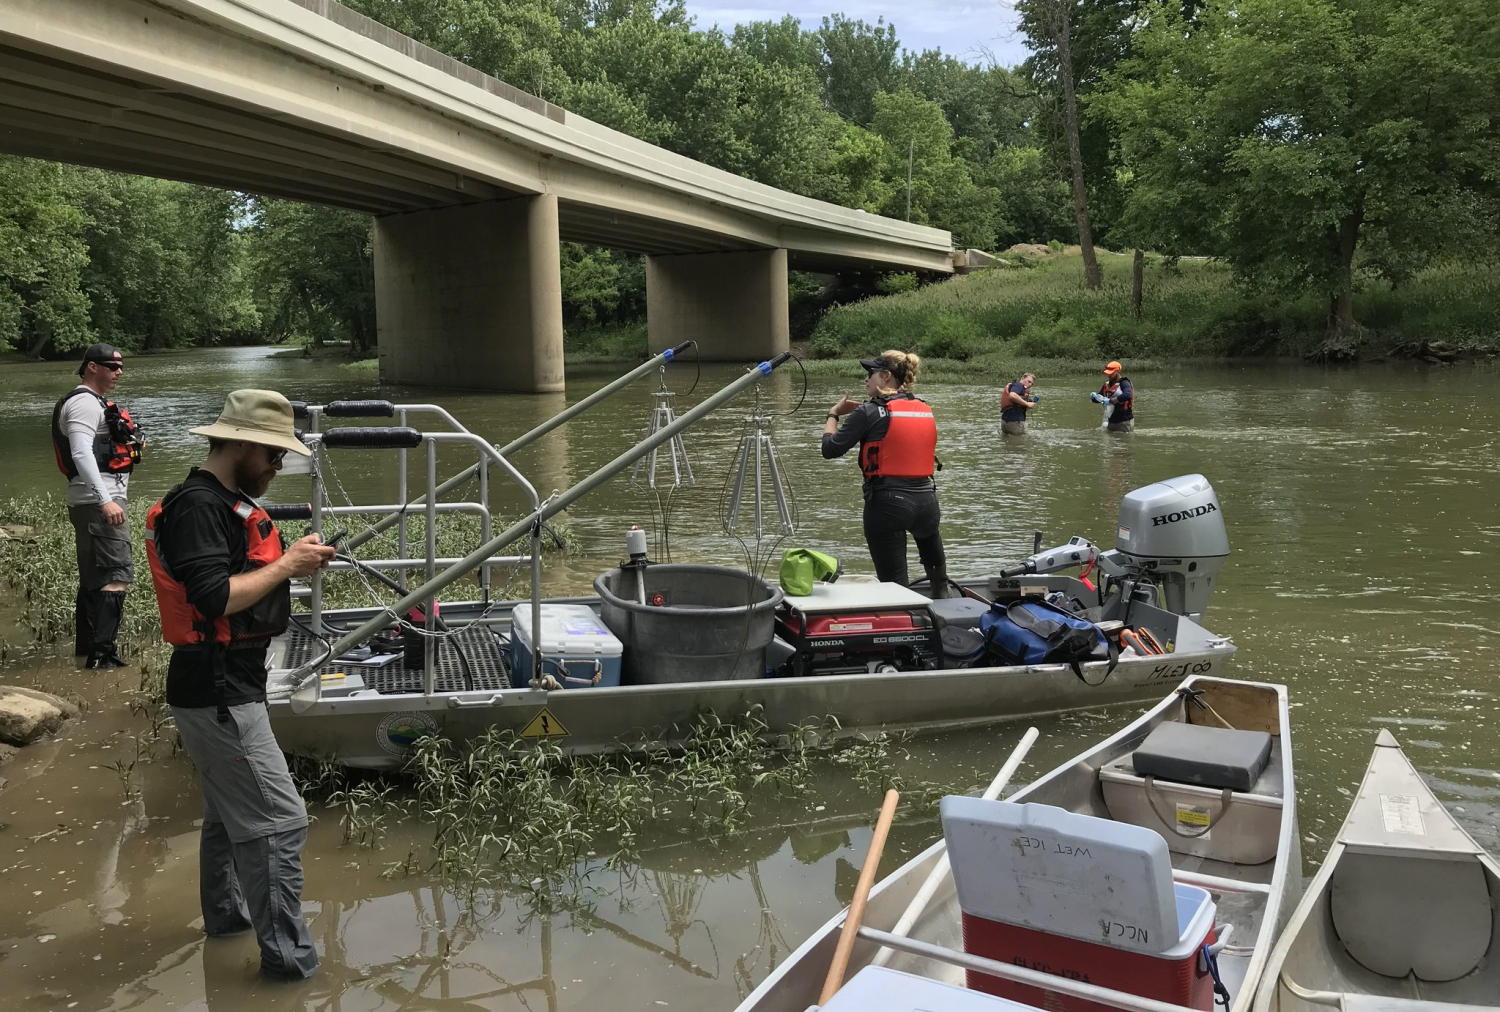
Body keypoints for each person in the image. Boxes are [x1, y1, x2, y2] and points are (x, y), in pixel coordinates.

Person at [145, 389, 335, 980]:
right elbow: (213, 598)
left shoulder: (219, 501)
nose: (278, 467)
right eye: (275, 456)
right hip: (219, 692)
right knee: (281, 822)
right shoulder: (199, 507)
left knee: (231, 817)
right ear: (245, 444)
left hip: (223, 686)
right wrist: (287, 566)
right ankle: (289, 967)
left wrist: (287, 562)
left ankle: (227, 922)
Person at [821, 350, 949, 593]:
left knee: (896, 589)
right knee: (940, 583)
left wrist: (833, 414)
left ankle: (905, 619)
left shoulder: (867, 412)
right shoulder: (924, 408)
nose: (866, 379)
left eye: (870, 373)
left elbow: (830, 449)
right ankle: (944, 599)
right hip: (927, 503)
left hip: (888, 506)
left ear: (886, 376)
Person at [51, 342, 145, 668]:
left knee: (94, 579)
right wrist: (105, 500)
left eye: (120, 366)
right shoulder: (84, 405)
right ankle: (102, 658)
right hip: (99, 501)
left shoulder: (95, 403)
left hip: (90, 500)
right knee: (117, 575)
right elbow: (80, 453)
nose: (118, 372)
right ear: (92, 366)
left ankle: (86, 653)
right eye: (112, 366)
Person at [1095, 360, 1135, 432]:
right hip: (1110, 420)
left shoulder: (1124, 383)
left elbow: (1128, 395)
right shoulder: (1107, 384)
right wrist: (1094, 397)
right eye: (1108, 373)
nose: (1109, 375)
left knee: (1123, 441)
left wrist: (1110, 400)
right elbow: (1099, 397)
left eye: (1111, 373)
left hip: (1124, 420)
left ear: (1118, 371)